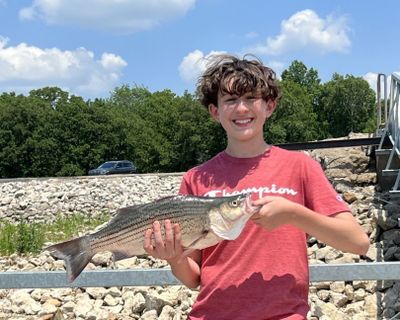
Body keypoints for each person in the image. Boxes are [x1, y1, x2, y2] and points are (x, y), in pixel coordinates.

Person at [143, 54, 370, 319]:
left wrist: (292, 214)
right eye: (230, 100)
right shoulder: (197, 177)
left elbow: (358, 243)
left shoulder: (300, 166)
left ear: (269, 106)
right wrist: (174, 258)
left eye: (251, 98)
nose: (241, 109)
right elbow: (194, 278)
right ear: (215, 111)